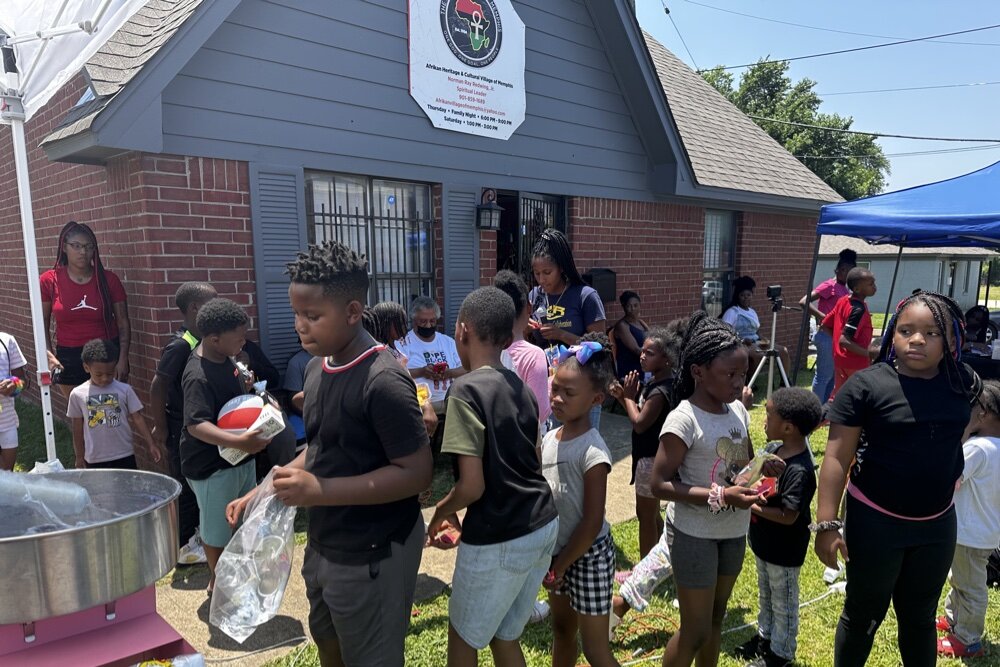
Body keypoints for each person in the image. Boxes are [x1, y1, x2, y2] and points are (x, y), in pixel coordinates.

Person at [230, 242, 432, 666]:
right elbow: (324, 447)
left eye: (313, 316)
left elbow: (416, 473)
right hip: (326, 545)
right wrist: (268, 486)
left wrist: (319, 490)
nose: (301, 327)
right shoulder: (316, 367)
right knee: (328, 643)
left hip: (374, 551)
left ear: (353, 312)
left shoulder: (383, 381)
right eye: (297, 314)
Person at [815, 291, 981, 667]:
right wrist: (826, 523)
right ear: (892, 334)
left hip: (936, 524)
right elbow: (837, 457)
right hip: (876, 521)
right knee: (863, 617)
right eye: (906, 330)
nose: (917, 339)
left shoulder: (964, 384)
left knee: (920, 618)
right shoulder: (866, 386)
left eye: (931, 332)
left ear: (952, 339)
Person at [426, 286, 559, 667]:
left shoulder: (465, 390)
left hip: (500, 535)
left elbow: (472, 486)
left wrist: (440, 511)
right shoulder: (522, 387)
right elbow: (531, 457)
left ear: (463, 330)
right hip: (541, 522)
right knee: (506, 635)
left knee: (463, 637)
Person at [650, 312, 780, 667]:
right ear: (698, 371)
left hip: (733, 530)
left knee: (716, 619)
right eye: (730, 374)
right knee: (695, 630)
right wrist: (721, 496)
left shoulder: (737, 410)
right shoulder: (684, 418)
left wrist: (761, 467)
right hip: (694, 534)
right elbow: (659, 483)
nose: (739, 382)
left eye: (742, 373)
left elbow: (743, 465)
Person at [181, 298, 273, 595]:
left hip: (239, 458)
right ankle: (217, 580)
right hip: (212, 466)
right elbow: (196, 425)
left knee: (240, 517)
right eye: (239, 338)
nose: (244, 343)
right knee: (216, 528)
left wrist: (250, 388)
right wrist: (241, 441)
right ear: (214, 339)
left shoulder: (227, 359)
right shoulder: (198, 375)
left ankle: (235, 571)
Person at [541, 334, 618, 667]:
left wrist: (560, 566)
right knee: (561, 630)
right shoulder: (548, 439)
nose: (557, 398)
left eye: (568, 393)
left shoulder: (593, 452)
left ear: (596, 399)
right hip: (557, 553)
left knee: (595, 650)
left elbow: (591, 523)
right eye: (555, 388)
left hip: (587, 556)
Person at [735, 388, 822, 667]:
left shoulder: (799, 470)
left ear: (788, 427)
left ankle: (780, 655)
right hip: (763, 543)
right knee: (766, 594)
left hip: (785, 550)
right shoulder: (773, 451)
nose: (764, 419)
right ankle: (765, 639)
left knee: (783, 603)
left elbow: (788, 516)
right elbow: (748, 475)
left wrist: (750, 505)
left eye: (769, 415)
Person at [149, 281, 217, 564]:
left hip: (194, 423)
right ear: (195, 308)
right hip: (178, 426)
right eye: (211, 304)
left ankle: (195, 538)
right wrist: (160, 427)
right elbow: (158, 384)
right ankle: (183, 546)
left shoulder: (201, 341)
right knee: (186, 486)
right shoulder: (181, 344)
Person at [936, 380, 1000, 659]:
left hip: (968, 532)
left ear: (982, 414)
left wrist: (961, 433)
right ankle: (953, 620)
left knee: (969, 585)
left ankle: (968, 638)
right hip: (984, 531)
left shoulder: (978, 448)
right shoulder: (995, 446)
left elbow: (949, 472)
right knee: (961, 577)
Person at [609, 327, 679, 559]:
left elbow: (639, 423)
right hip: (649, 456)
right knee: (652, 513)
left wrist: (628, 397)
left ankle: (644, 570)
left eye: (650, 353)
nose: (642, 356)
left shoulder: (661, 391)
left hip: (651, 458)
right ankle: (660, 559)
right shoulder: (657, 383)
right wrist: (623, 397)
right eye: (642, 351)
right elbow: (637, 412)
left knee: (645, 516)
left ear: (667, 359)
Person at [41, 221, 131, 397]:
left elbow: (123, 322)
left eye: (89, 246)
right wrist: (49, 355)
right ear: (64, 247)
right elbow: (41, 323)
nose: (83, 252)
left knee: (109, 412)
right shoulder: (49, 281)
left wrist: (123, 358)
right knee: (79, 414)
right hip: (69, 356)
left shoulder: (109, 280)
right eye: (76, 246)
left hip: (106, 355)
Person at [528, 229, 607, 428]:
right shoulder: (535, 295)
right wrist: (526, 331)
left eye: (547, 273)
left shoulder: (585, 296)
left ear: (562, 268)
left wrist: (562, 334)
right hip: (546, 385)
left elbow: (600, 345)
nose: (541, 280)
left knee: (582, 447)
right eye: (537, 273)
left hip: (580, 387)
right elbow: (527, 345)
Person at [68, 339, 162, 470]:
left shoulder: (125, 390)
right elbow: (77, 428)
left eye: (110, 373)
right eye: (99, 374)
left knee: (127, 489)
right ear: (86, 368)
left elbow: (138, 418)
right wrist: (79, 456)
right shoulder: (77, 394)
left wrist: (151, 443)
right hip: (95, 457)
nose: (105, 378)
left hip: (124, 454)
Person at [363, 302, 438, 439]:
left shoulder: (395, 348)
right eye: (399, 322)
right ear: (385, 323)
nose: (404, 326)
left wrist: (425, 403)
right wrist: (425, 405)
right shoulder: (382, 354)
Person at [494, 270, 551, 426]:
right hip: (525, 442)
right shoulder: (534, 355)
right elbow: (539, 412)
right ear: (528, 308)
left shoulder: (486, 347)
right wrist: (552, 384)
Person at [800, 249, 857, 403]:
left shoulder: (845, 289)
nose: (845, 273)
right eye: (843, 269)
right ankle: (816, 408)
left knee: (832, 375)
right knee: (823, 375)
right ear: (837, 269)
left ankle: (825, 409)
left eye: (849, 270)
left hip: (836, 336)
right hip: (825, 335)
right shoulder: (829, 285)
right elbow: (804, 301)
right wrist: (822, 316)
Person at [395, 296, 466, 413]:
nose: (428, 325)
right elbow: (397, 374)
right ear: (414, 320)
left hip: (450, 403)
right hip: (420, 407)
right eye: (423, 321)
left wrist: (449, 373)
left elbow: (466, 368)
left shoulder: (448, 342)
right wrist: (421, 372)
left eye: (432, 321)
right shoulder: (404, 343)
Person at [820, 268, 877, 401]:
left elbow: (825, 325)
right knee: (860, 399)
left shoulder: (843, 300)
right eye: (871, 284)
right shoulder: (858, 310)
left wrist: (837, 348)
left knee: (838, 399)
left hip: (840, 361)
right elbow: (844, 340)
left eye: (874, 282)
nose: (875, 287)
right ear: (857, 289)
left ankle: (815, 421)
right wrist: (870, 354)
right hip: (856, 363)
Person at [722, 276, 790, 381]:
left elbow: (757, 331)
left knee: (783, 351)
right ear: (738, 296)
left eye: (748, 295)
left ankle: (785, 381)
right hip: (740, 343)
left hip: (756, 341)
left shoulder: (752, 312)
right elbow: (725, 331)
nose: (746, 298)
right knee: (758, 356)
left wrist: (763, 339)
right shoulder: (733, 311)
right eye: (742, 295)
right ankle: (749, 383)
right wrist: (741, 340)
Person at [0, 331, 27, 471]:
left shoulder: (6, 341)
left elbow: (22, 380)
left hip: (6, 420)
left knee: (7, 475)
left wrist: (13, 385)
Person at [613, 291, 649, 381]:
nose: (632, 309)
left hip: (645, 364)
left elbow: (652, 339)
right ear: (624, 307)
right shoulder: (622, 325)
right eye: (629, 306)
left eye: (635, 305)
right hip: (631, 370)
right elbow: (636, 350)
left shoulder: (641, 323)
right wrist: (654, 356)